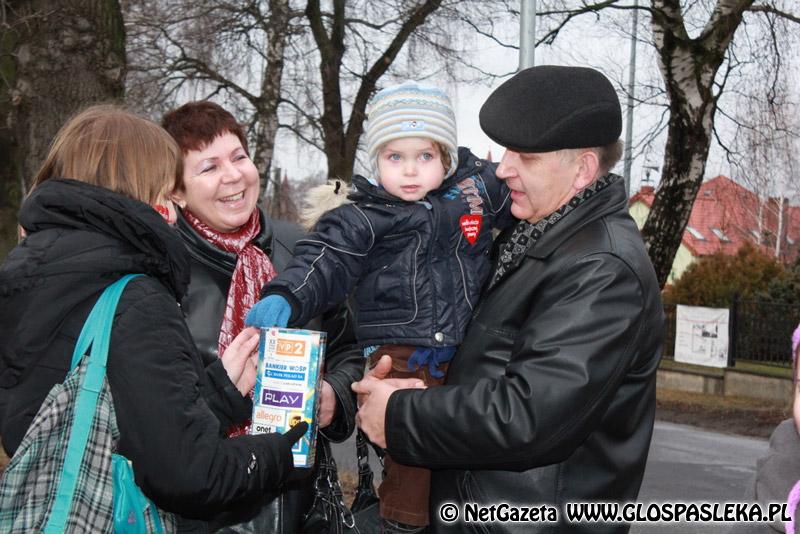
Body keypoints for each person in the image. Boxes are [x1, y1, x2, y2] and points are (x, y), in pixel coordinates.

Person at [353, 65, 665, 534]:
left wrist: (400, 416)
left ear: (582, 169)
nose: (502, 168)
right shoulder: (536, 236)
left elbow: (530, 416)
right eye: (505, 151)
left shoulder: (602, 268)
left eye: (526, 157)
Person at [0, 105, 307, 530]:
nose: (171, 205)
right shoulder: (135, 293)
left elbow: (127, 423)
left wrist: (217, 391)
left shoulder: (33, 272)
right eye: (165, 188)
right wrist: (275, 452)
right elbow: (190, 475)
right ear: (139, 185)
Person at [245, 81, 514, 532]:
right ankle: (402, 524)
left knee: (472, 449)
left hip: (467, 350)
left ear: (446, 158)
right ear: (377, 161)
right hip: (403, 354)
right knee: (411, 457)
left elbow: (526, 195)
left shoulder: (474, 193)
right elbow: (323, 257)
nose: (410, 171)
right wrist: (285, 294)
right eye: (395, 157)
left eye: (424, 157)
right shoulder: (366, 216)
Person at [161, 101, 364, 532]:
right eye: (209, 167)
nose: (233, 176)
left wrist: (335, 395)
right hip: (203, 514)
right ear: (176, 190)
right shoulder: (160, 271)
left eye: (238, 157)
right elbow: (149, 412)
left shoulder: (305, 253)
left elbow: (350, 349)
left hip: (305, 508)